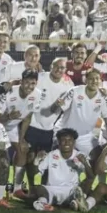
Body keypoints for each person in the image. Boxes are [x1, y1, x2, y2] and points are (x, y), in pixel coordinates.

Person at [53, 69, 107, 193]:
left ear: (100, 81)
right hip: (66, 132)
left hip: (87, 136)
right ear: (86, 80)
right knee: (58, 161)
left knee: (98, 158)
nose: (94, 81)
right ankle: (51, 187)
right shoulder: (74, 91)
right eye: (91, 78)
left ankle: (90, 188)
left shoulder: (103, 97)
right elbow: (62, 106)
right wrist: (59, 104)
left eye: (97, 78)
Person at [18, 58, 74, 188]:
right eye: (56, 66)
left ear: (65, 70)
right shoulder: (40, 78)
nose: (59, 70)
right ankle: (29, 187)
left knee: (46, 160)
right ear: (51, 65)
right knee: (29, 157)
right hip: (32, 124)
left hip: (49, 129)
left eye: (62, 68)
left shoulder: (69, 85)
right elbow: (25, 88)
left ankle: (43, 188)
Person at [26, 128, 94, 212]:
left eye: (70, 140)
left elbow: (91, 177)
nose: (67, 143)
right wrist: (37, 160)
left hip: (72, 190)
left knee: (85, 184)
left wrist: (85, 163)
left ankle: (79, 201)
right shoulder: (51, 155)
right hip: (52, 189)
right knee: (39, 188)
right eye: (63, 140)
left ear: (74, 142)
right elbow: (35, 173)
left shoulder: (80, 156)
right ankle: (42, 204)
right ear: (58, 142)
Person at [0, 69, 38, 198]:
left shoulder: (37, 95)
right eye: (26, 82)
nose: (29, 86)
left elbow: (27, 118)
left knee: (22, 149)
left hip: (13, 128)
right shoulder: (9, 93)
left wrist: (21, 139)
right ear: (21, 81)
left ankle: (17, 189)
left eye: (33, 83)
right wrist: (8, 116)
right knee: (2, 156)